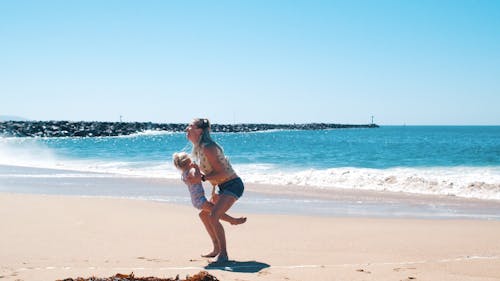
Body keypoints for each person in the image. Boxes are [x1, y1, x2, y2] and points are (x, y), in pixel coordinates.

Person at [186, 118, 246, 263]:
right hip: (222, 186)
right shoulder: (200, 148)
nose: (187, 129)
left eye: (190, 126)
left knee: (213, 216)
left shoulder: (208, 147)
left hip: (233, 185)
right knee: (204, 215)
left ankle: (224, 255)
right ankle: (216, 249)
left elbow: (224, 173)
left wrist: (202, 178)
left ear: (199, 131)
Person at [172, 152, 246, 225]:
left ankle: (232, 220)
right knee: (215, 212)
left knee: (214, 211)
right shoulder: (190, 172)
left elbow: (198, 177)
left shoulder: (185, 174)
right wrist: (197, 168)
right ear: (188, 162)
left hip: (197, 200)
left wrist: (206, 176)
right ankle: (233, 220)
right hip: (200, 200)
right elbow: (197, 179)